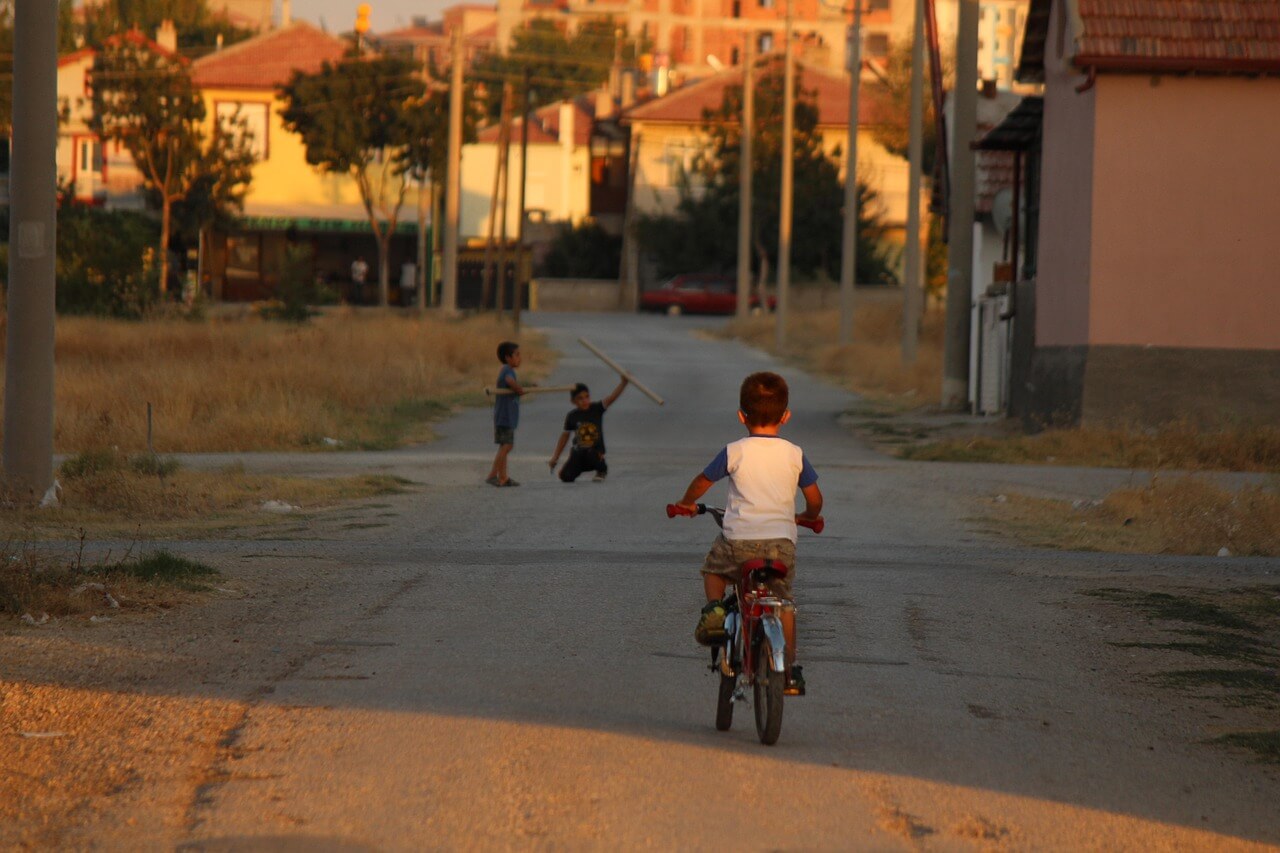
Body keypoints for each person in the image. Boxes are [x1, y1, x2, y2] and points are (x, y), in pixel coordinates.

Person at [671, 371, 823, 696]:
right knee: (783, 604)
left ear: (741, 416)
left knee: (714, 570)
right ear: (786, 416)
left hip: (738, 543)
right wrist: (808, 516)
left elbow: (702, 482)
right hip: (781, 546)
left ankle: (713, 609)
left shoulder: (735, 451)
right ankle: (790, 671)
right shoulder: (794, 454)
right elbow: (814, 498)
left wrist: (686, 502)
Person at [548, 378, 629, 482]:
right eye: (580, 398)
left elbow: (612, 398)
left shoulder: (596, 408)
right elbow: (564, 437)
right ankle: (575, 468)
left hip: (594, 452)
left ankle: (601, 469)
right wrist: (555, 457)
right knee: (565, 476)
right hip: (578, 453)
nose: (585, 401)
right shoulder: (572, 416)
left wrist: (623, 383)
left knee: (591, 453)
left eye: (587, 397)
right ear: (573, 401)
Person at [486, 341, 524, 487]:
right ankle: (495, 475)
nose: (520, 358)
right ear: (508, 357)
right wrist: (518, 388)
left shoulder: (508, 370)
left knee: (505, 446)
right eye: (517, 355)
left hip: (507, 416)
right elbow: (509, 381)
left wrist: (521, 390)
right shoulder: (507, 370)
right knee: (507, 446)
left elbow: (514, 390)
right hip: (505, 416)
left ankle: (502, 476)